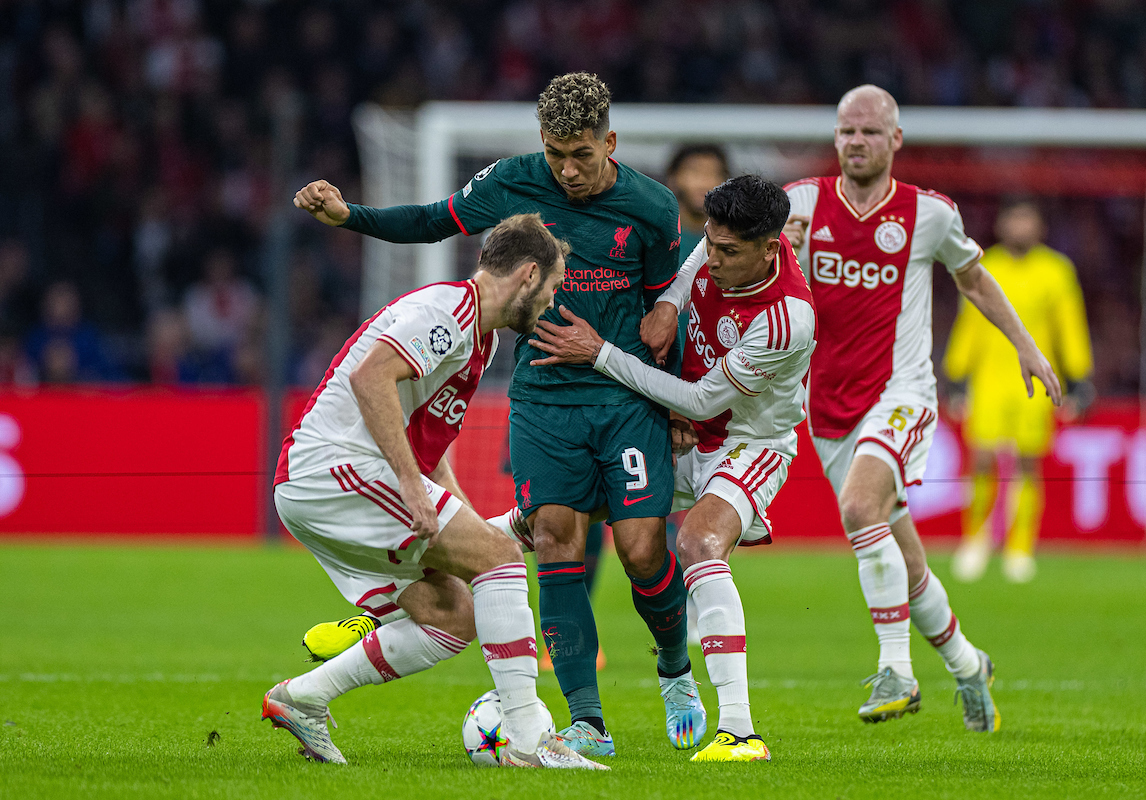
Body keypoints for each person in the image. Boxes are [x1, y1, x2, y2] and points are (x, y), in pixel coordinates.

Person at [291, 72, 702, 757]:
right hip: (542, 399)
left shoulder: (654, 207)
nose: (567, 169)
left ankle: (675, 669)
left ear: (611, 142)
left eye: (581, 153)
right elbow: (429, 220)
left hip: (624, 395)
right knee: (555, 544)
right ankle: (584, 720)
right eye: (554, 153)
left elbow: (668, 307)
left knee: (641, 549)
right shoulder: (514, 181)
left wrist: (681, 397)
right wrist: (350, 216)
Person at [262, 214, 604, 770]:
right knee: (499, 559)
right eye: (552, 289)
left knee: (452, 616)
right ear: (528, 273)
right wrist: (408, 486)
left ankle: (302, 698)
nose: (551, 304)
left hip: (340, 481)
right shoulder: (447, 310)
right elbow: (370, 377)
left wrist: (462, 517)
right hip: (333, 471)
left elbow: (428, 445)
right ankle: (526, 741)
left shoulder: (482, 339)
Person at [783, 85, 1062, 732]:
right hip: (826, 405)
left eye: (870, 132)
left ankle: (896, 672)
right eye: (846, 131)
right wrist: (784, 251)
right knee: (905, 564)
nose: (856, 142)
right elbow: (755, 282)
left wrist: (1027, 347)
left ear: (895, 141)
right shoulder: (799, 204)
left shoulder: (929, 214)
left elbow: (973, 278)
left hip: (900, 393)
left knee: (858, 510)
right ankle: (970, 667)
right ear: (836, 137)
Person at [531, 175, 816, 763]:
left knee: (697, 540)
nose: (712, 259)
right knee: (551, 518)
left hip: (749, 439)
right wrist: (668, 303)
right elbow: (690, 266)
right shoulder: (721, 248)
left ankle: (739, 731)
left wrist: (600, 353)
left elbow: (704, 403)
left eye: (728, 252)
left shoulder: (789, 318)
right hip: (684, 434)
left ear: (771, 248)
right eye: (709, 242)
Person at [946, 200, 1094, 584]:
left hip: (1036, 380)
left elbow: (1069, 324)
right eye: (1014, 219)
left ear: (1040, 226)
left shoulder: (1056, 270)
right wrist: (956, 375)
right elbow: (970, 324)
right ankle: (976, 541)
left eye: (1028, 219)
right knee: (981, 459)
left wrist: (1078, 377)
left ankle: (1020, 547)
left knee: (1029, 463)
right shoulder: (984, 263)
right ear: (1002, 224)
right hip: (989, 378)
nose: (1020, 226)